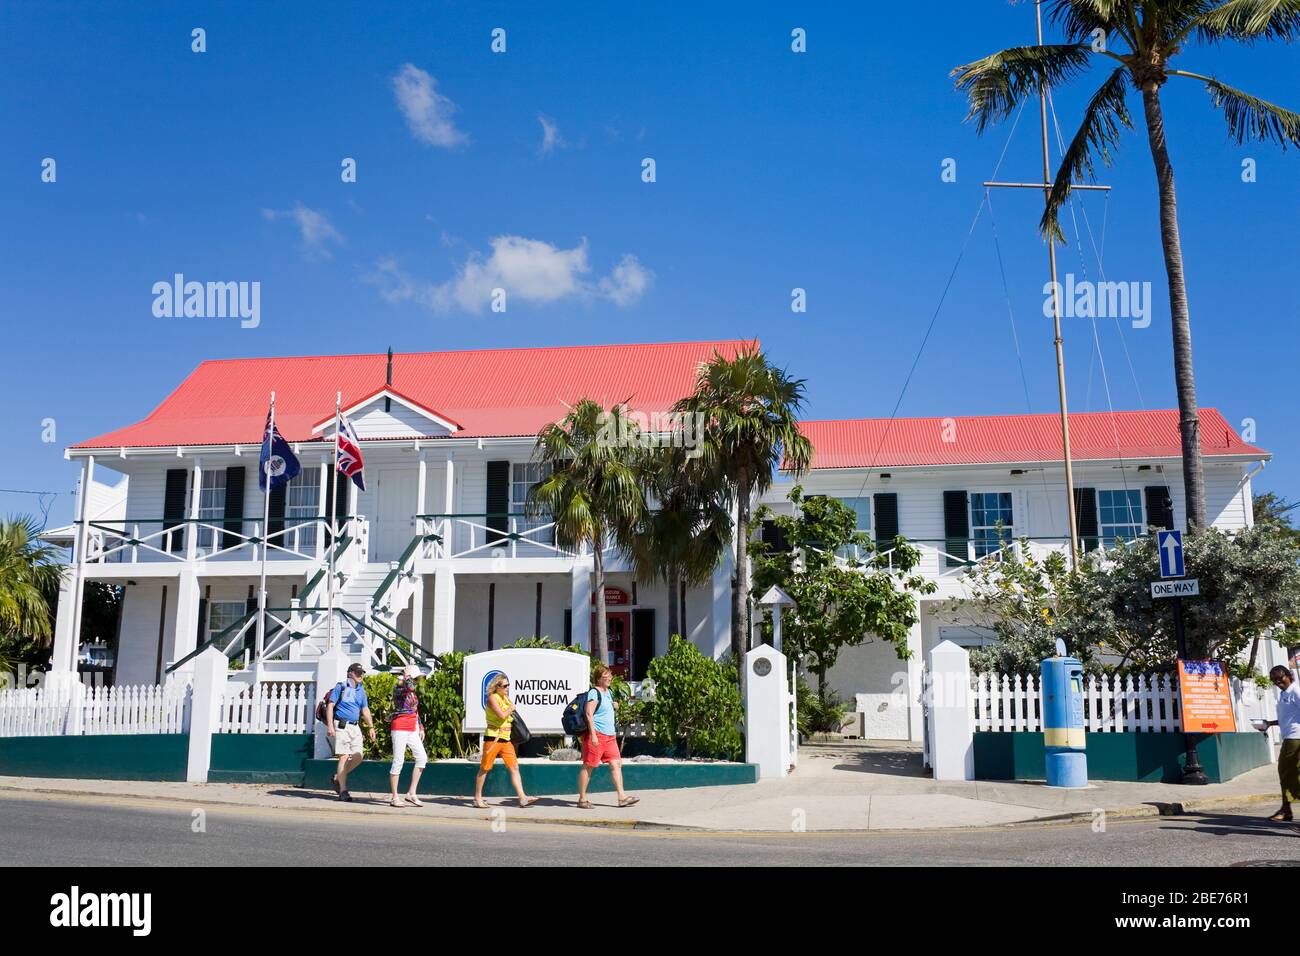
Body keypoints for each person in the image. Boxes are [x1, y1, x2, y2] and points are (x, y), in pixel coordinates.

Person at [576, 665, 638, 809]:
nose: (609, 678)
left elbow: (605, 708)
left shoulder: (608, 692)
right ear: (598, 679)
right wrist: (593, 736)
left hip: (610, 736)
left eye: (610, 676)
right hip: (597, 734)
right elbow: (588, 714)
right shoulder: (593, 693)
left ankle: (622, 797)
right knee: (589, 766)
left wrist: (613, 705)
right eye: (606, 677)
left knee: (616, 764)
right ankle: (582, 799)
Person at [473, 673, 538, 809]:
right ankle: (477, 798)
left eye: (508, 685)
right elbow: (502, 715)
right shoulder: (492, 698)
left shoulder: (504, 698)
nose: (507, 688)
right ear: (496, 686)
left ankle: (522, 798)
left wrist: (510, 706)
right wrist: (510, 708)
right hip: (494, 738)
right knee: (485, 768)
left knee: (514, 767)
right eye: (504, 686)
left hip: (506, 738)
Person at [326, 663, 377, 802]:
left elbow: (365, 710)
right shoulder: (340, 687)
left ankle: (338, 777)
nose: (360, 675)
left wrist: (371, 727)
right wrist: (330, 726)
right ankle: (343, 791)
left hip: (355, 727)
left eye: (362, 673)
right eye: (357, 672)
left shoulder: (361, 690)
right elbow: (330, 706)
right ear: (350, 673)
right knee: (344, 756)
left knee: (359, 756)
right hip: (341, 725)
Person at [388, 665, 428, 808]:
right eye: (416, 678)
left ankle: (411, 793)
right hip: (400, 727)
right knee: (398, 760)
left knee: (422, 758)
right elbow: (409, 687)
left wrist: (420, 726)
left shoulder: (411, 688)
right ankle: (394, 797)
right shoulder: (399, 688)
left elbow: (415, 710)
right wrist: (407, 676)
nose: (417, 681)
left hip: (412, 727)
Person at [1264, 664, 1299, 823]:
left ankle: (1286, 810)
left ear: (1289, 675)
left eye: (1280, 678)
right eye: (1274, 680)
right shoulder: (1285, 694)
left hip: (1295, 739)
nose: (1278, 682)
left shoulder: (1296, 691)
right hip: (1290, 737)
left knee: (1288, 773)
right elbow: (1290, 718)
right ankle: (1286, 810)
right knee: (1287, 774)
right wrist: (1269, 723)